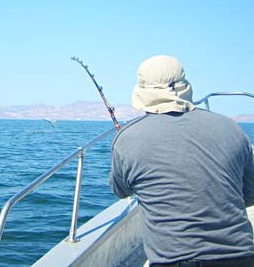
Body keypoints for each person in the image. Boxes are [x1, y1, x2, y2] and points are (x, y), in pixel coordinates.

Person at [109, 55, 254, 267]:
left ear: (141, 92)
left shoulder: (127, 139)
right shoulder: (231, 128)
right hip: (240, 257)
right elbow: (250, 193)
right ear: (186, 86)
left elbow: (120, 191)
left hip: (173, 261)